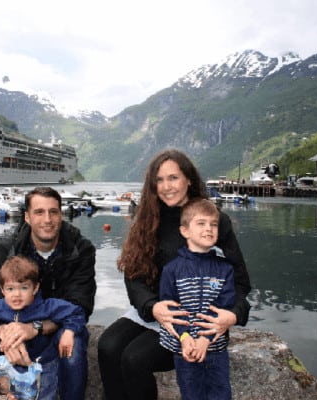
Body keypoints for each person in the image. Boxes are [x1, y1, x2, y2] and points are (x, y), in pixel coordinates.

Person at [97, 149, 251, 400]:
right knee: (107, 347)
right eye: (159, 180)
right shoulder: (147, 217)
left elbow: (240, 280)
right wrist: (151, 306)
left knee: (135, 359)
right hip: (155, 310)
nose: (166, 186)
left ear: (189, 179)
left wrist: (233, 315)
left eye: (173, 178)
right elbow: (133, 274)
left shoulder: (210, 220)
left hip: (194, 318)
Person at [0, 186, 96, 400]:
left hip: (58, 328)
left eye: (53, 212)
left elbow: (81, 304)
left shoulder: (81, 249)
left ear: (61, 215)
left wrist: (34, 328)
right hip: (12, 323)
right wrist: (5, 334)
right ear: (27, 217)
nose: (47, 219)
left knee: (72, 351)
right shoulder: (8, 249)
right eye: (39, 212)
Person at [0, 255, 87, 400]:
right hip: (7, 361)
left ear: (35, 288)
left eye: (24, 288)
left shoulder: (47, 306)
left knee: (44, 394)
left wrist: (69, 331)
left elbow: (76, 312)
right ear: (2, 290)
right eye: (10, 288)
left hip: (43, 361)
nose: (17, 295)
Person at [159, 198, 235, 400]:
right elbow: (171, 311)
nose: (209, 229)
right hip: (186, 350)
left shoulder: (225, 268)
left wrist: (205, 339)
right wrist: (185, 338)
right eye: (201, 223)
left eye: (214, 224)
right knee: (191, 394)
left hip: (216, 349)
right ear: (185, 231)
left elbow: (224, 306)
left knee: (221, 394)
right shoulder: (171, 270)